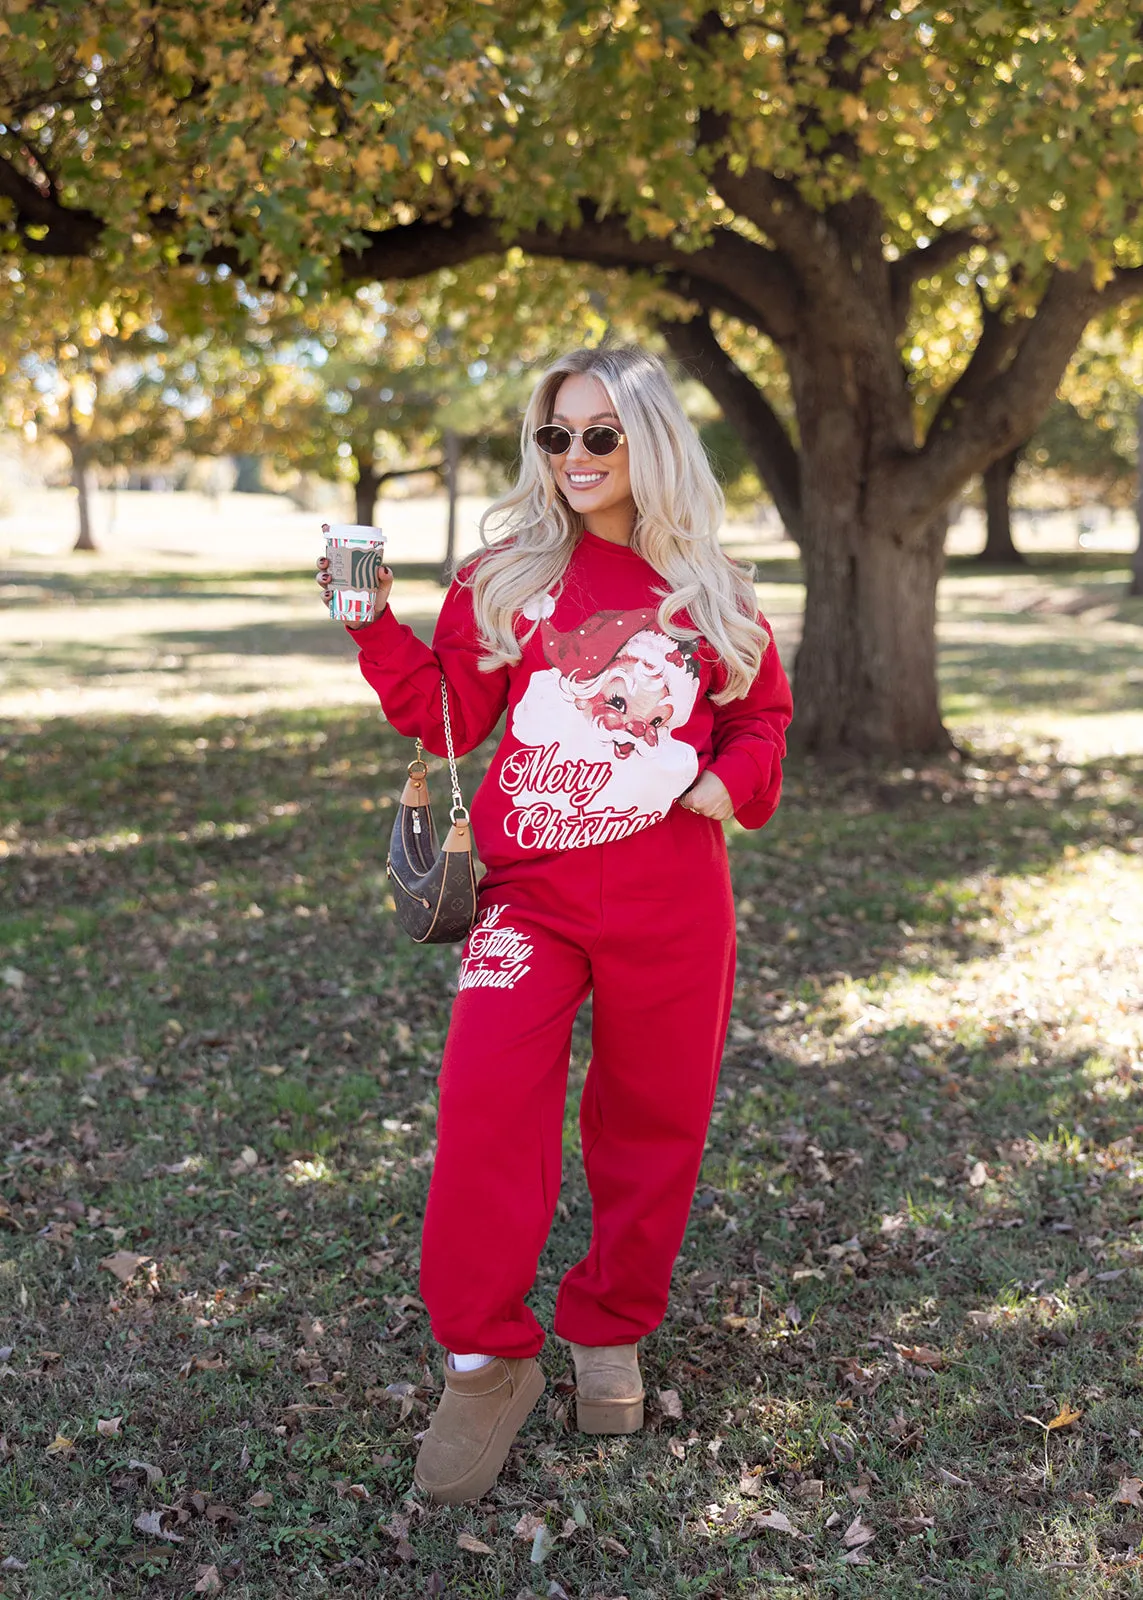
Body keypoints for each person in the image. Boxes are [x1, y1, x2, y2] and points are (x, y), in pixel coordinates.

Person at [316, 345, 792, 1505]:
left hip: (672, 901)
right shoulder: (506, 578)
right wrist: (372, 624)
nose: (572, 458)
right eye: (553, 436)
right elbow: (448, 716)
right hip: (527, 897)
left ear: (649, 442)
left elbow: (760, 717)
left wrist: (720, 786)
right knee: (485, 1098)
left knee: (652, 1119)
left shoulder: (710, 588)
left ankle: (610, 1328)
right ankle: (483, 1359)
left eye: (598, 435)